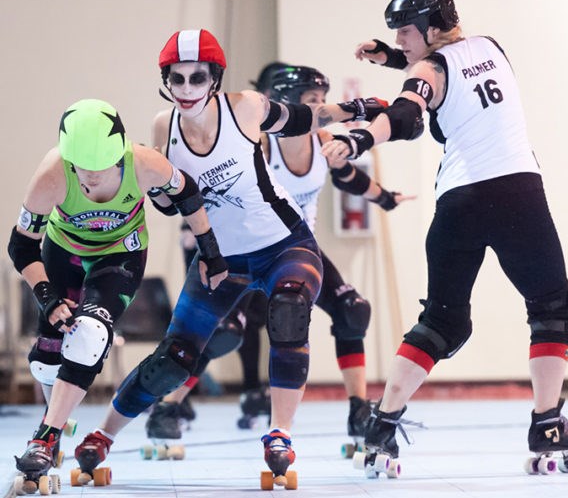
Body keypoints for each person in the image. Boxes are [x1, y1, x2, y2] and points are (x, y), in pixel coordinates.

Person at [73, 28, 388, 485]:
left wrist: (360, 109)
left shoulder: (246, 107)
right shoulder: (166, 125)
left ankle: (279, 432)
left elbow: (306, 117)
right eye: (176, 79)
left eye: (196, 79)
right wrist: (160, 196)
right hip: (220, 258)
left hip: (286, 245)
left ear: (215, 78)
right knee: (174, 357)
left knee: (289, 309)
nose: (186, 91)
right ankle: (102, 436)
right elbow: (168, 195)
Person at [321, 0, 568, 475]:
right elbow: (446, 67)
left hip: (458, 203)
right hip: (517, 196)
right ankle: (548, 422)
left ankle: (383, 423)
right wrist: (390, 56)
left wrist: (358, 137)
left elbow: (408, 111)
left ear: (432, 25)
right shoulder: (492, 48)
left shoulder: (428, 71)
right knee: (552, 308)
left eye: (405, 31)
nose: (400, 40)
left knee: (443, 324)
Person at [146, 65, 416, 450]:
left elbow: (348, 177)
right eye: (312, 102)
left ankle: (358, 409)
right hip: (247, 249)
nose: (320, 108)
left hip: (297, 250)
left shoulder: (323, 140)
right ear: (288, 104)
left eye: (322, 100)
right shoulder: (259, 144)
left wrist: (386, 198)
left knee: (352, 310)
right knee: (223, 334)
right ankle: (167, 407)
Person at [7, 98, 227, 491]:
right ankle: (54, 420)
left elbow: (188, 194)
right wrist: (48, 297)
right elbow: (21, 248)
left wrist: (211, 252)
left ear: (120, 154)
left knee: (90, 335)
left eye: (100, 170)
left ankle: (45, 438)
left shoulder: (144, 163)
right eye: (81, 170)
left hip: (120, 254)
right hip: (64, 254)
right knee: (45, 359)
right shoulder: (52, 173)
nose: (89, 179)